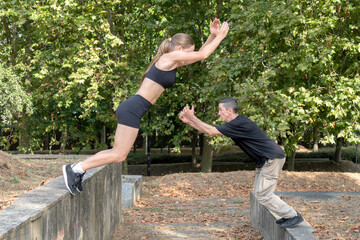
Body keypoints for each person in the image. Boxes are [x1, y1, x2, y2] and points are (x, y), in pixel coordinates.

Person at [62, 19, 229, 195]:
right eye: (188, 52)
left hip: (134, 109)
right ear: (179, 49)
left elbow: (200, 53)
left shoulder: (173, 60)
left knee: (116, 152)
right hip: (133, 109)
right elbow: (203, 55)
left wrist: (212, 35)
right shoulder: (169, 57)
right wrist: (221, 36)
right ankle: (75, 169)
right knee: (119, 155)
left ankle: (78, 170)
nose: (190, 55)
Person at [179, 97, 303, 229]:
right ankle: (286, 215)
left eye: (220, 110)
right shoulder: (235, 123)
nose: (218, 113)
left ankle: (292, 215)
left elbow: (210, 130)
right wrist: (190, 122)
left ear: (230, 111)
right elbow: (208, 131)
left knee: (262, 194)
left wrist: (193, 118)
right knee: (260, 194)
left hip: (272, 158)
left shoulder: (239, 123)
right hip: (264, 159)